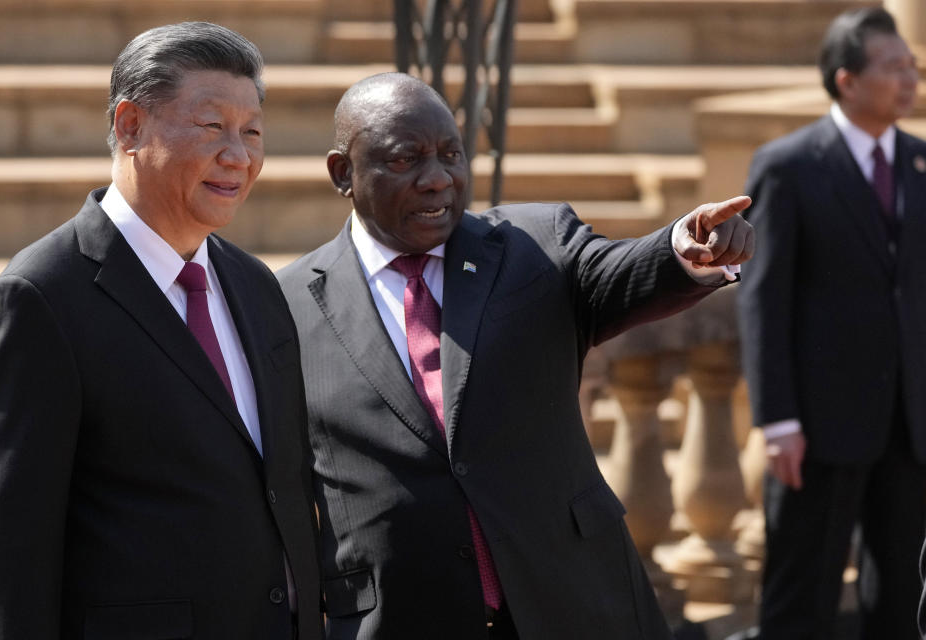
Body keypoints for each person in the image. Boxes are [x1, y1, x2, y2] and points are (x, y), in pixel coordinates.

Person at [276, 71, 754, 640]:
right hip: (401, 616)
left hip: (574, 600)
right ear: (342, 173)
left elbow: (619, 274)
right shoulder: (286, 305)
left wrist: (684, 249)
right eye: (407, 160)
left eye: (451, 155)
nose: (438, 180)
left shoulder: (535, 244)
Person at [0, 22, 322, 639]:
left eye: (253, 131)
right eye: (212, 127)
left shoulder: (256, 285)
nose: (238, 155)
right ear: (130, 126)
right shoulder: (40, 298)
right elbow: (10, 549)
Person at [735, 7, 926, 640]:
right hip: (817, 427)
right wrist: (777, 419)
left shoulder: (921, 163)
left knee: (904, 598)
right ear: (847, 79)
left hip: (911, 424)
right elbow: (763, 297)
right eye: (894, 67)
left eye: (912, 66)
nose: (909, 79)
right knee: (801, 600)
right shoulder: (788, 165)